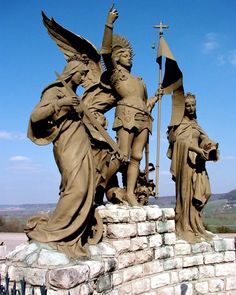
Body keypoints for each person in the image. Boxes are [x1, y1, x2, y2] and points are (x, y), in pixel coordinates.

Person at [25, 60, 101, 259]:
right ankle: (54, 232)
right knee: (77, 188)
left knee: (86, 188)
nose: (84, 78)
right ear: (72, 72)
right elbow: (36, 116)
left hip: (81, 142)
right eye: (82, 74)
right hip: (66, 144)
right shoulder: (56, 90)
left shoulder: (76, 95)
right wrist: (61, 104)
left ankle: (71, 237)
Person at [101, 7, 161, 206]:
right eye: (125, 54)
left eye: (130, 55)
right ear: (117, 58)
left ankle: (130, 193)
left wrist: (155, 98)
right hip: (125, 115)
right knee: (121, 155)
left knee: (136, 158)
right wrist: (109, 23)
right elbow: (105, 51)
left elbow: (145, 103)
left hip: (143, 118)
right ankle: (98, 182)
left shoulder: (139, 80)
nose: (130, 57)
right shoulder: (116, 74)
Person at [167, 92, 219, 243]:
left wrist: (210, 145)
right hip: (184, 164)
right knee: (185, 195)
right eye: (187, 106)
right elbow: (178, 144)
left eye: (193, 105)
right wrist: (195, 149)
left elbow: (204, 138)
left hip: (198, 165)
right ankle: (185, 226)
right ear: (182, 108)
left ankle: (196, 222)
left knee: (206, 192)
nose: (190, 108)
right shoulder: (178, 126)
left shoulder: (196, 124)